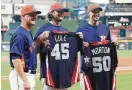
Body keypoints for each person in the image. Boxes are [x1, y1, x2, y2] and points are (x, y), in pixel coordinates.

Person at [34, 3, 83, 90]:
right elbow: (34, 51)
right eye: (59, 11)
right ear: (52, 13)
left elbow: (73, 51)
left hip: (64, 75)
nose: (61, 14)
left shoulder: (65, 31)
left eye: (63, 12)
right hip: (48, 74)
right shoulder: (42, 29)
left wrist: (79, 40)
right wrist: (40, 39)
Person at [76, 4, 118, 90]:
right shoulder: (81, 29)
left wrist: (113, 41)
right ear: (89, 13)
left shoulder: (105, 28)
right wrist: (80, 44)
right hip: (88, 71)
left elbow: (110, 48)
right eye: (94, 12)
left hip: (104, 71)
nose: (97, 14)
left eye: (98, 12)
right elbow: (76, 49)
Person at [9, 5, 41, 90]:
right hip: (22, 76)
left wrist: (40, 40)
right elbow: (16, 60)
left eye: (35, 15)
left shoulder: (27, 32)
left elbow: (31, 53)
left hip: (27, 75)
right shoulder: (20, 34)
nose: (34, 17)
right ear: (23, 17)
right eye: (31, 15)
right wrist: (25, 80)